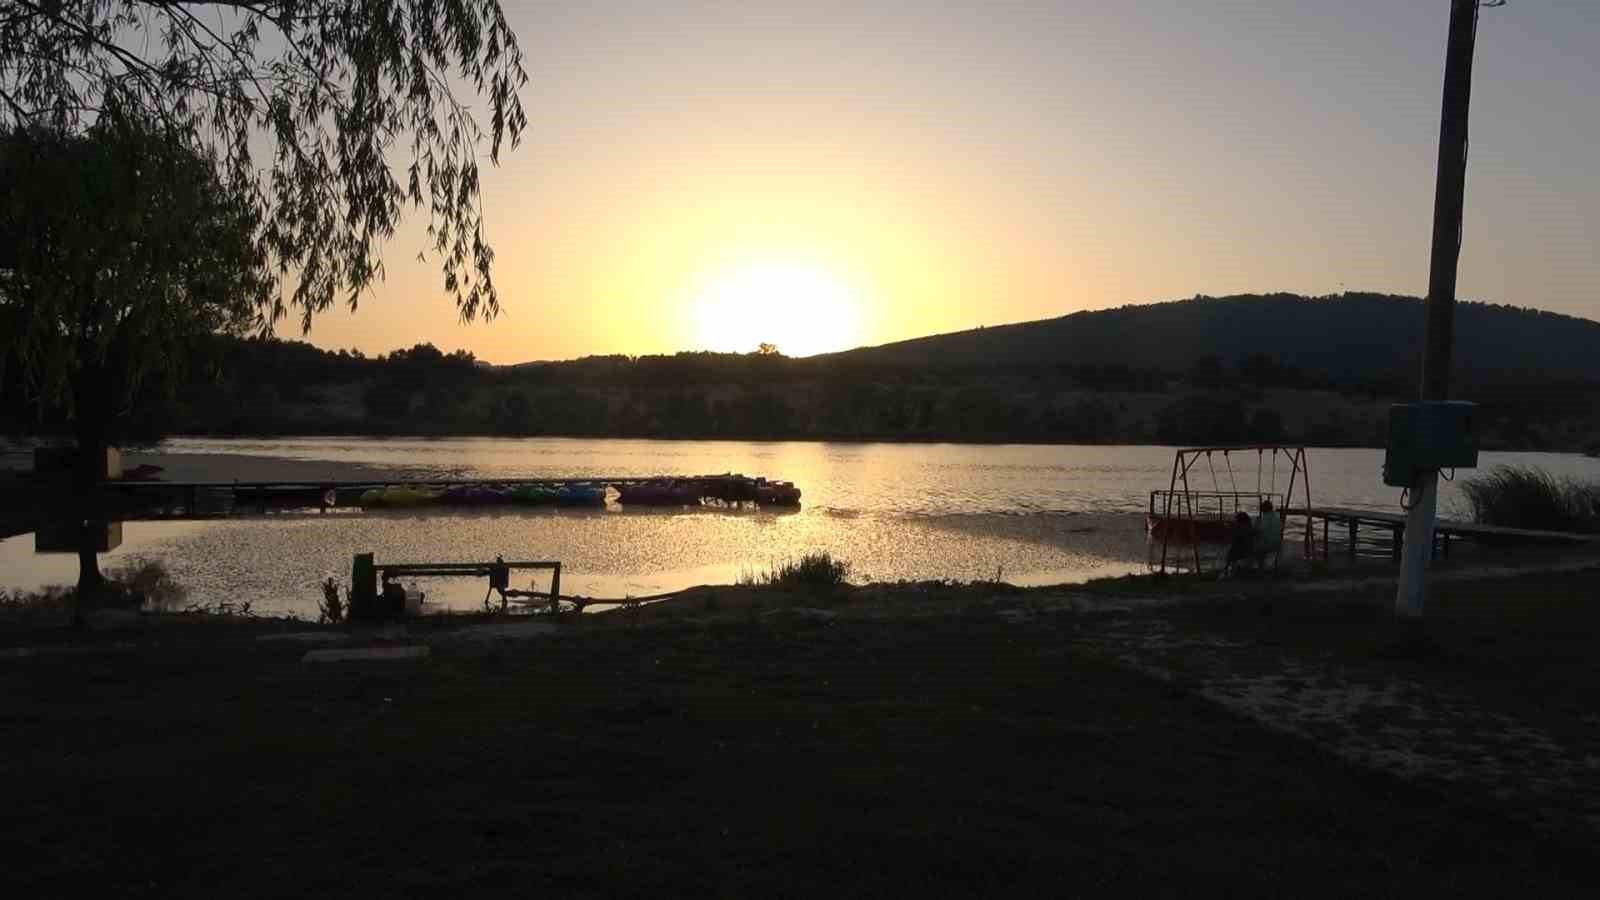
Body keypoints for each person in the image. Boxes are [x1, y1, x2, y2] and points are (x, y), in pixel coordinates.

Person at [1254, 499, 1283, 569]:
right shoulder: (1277, 516)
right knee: (1259, 543)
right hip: (1278, 543)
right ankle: (1261, 565)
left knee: (1254, 547)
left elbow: (1259, 530)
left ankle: (1260, 567)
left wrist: (1256, 523)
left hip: (1269, 544)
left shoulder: (1266, 517)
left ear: (1264, 509)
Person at [1224, 511, 1254, 576]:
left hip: (1241, 551)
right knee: (1233, 549)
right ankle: (1232, 569)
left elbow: (1235, 537)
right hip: (1249, 549)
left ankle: (1227, 570)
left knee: (1231, 552)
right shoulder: (1249, 526)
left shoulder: (1239, 527)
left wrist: (1230, 526)